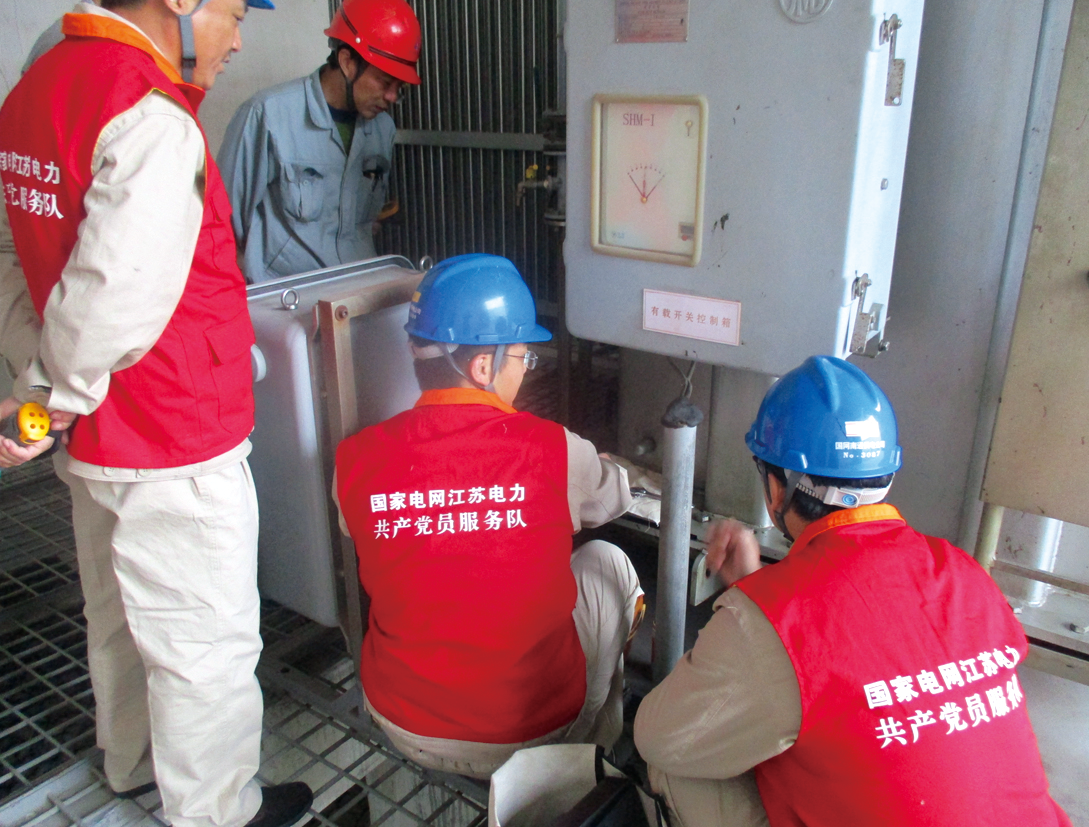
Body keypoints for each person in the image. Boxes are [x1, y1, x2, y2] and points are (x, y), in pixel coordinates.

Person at [0, 3, 314, 826]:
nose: (236, 38)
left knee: (120, 618)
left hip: (95, 439)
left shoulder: (33, 93)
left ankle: (133, 765)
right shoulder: (147, 114)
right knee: (203, 645)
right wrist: (42, 402)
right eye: (233, 13)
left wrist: (40, 392)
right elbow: (113, 295)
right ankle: (216, 812)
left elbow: (14, 257)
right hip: (176, 437)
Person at [633, 355, 1071, 827]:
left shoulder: (780, 616)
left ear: (777, 490)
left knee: (676, 765)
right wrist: (755, 587)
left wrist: (757, 605)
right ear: (886, 475)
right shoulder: (962, 571)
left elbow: (659, 737)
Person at [332, 254, 645, 778]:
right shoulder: (553, 449)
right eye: (523, 356)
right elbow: (615, 497)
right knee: (606, 561)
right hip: (531, 728)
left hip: (399, 717)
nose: (524, 369)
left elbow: (361, 525)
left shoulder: (356, 457)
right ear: (483, 366)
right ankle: (593, 745)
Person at [217, 0, 420, 283]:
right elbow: (221, 223)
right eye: (385, 82)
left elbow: (363, 222)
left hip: (358, 289)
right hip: (287, 298)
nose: (391, 97)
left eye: (399, 88)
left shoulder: (383, 129)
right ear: (347, 62)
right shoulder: (267, 116)